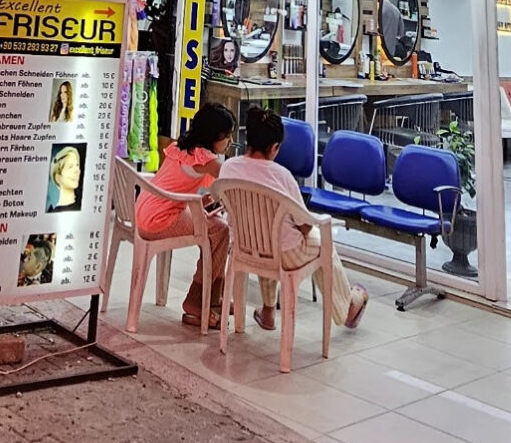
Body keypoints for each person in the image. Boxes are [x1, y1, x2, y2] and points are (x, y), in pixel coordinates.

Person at [218, 105, 367, 334]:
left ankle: (268, 311)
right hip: (284, 255)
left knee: (264, 236)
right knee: (323, 243)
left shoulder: (228, 168)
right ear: (274, 147)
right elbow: (304, 225)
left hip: (243, 247)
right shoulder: (281, 176)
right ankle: (347, 307)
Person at [135, 101, 234, 327]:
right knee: (220, 230)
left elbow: (183, 185)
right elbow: (230, 181)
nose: (230, 141)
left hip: (145, 208)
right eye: (227, 136)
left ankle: (213, 298)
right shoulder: (206, 159)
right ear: (213, 136)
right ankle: (197, 302)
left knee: (214, 225)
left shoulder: (180, 146)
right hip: (161, 219)